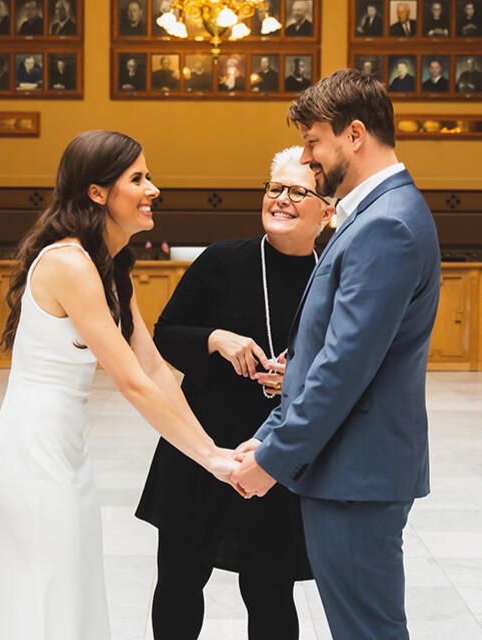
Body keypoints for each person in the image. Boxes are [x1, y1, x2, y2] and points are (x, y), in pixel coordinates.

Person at [0, 130, 238, 640]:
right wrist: (211, 461)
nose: (154, 189)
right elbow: (130, 382)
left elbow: (155, 370)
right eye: (138, 179)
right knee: (48, 591)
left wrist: (214, 450)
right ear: (98, 193)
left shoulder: (110, 265)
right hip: (31, 451)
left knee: (75, 585)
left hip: (63, 450)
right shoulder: (70, 264)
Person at [231, 68, 440, 640]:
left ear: (354, 134)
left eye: (312, 141)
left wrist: (271, 461)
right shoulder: (379, 214)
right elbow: (317, 352)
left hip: (357, 476)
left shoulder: (387, 225)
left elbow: (343, 368)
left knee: (367, 631)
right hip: (350, 470)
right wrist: (272, 431)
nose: (308, 156)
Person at [137, 146, 333, 640]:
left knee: (269, 590)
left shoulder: (334, 276)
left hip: (277, 455)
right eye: (274, 189)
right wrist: (214, 339)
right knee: (179, 581)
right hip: (201, 447)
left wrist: (300, 380)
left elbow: (346, 364)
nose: (281, 200)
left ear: (327, 212)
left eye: (297, 192)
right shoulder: (223, 259)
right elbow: (165, 334)